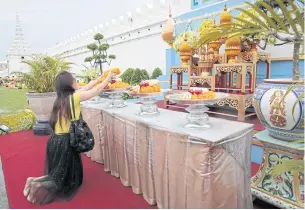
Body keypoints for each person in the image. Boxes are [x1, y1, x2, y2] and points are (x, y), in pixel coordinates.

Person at [23, 70, 114, 205]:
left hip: (55, 141)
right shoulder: (74, 98)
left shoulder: (61, 99)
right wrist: (108, 79)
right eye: (75, 80)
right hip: (65, 143)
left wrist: (101, 78)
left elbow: (88, 86)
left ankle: (32, 180)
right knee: (60, 179)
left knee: (58, 173)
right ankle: (36, 185)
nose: (77, 82)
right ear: (69, 85)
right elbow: (95, 91)